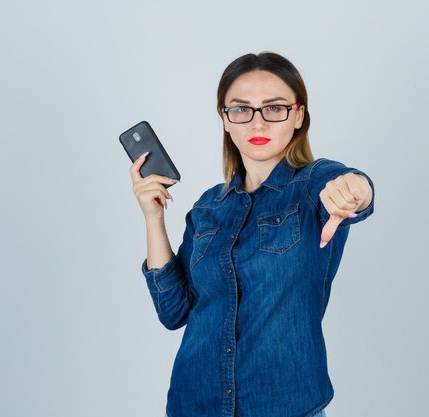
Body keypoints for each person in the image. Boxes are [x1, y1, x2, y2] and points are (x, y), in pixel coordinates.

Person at [129, 52, 375, 417]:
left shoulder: (313, 184)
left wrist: (356, 189)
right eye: (241, 110)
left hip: (286, 406)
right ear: (225, 120)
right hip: (195, 403)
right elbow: (174, 311)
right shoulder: (208, 207)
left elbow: (357, 189)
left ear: (298, 115)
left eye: (274, 108)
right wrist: (152, 218)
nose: (257, 124)